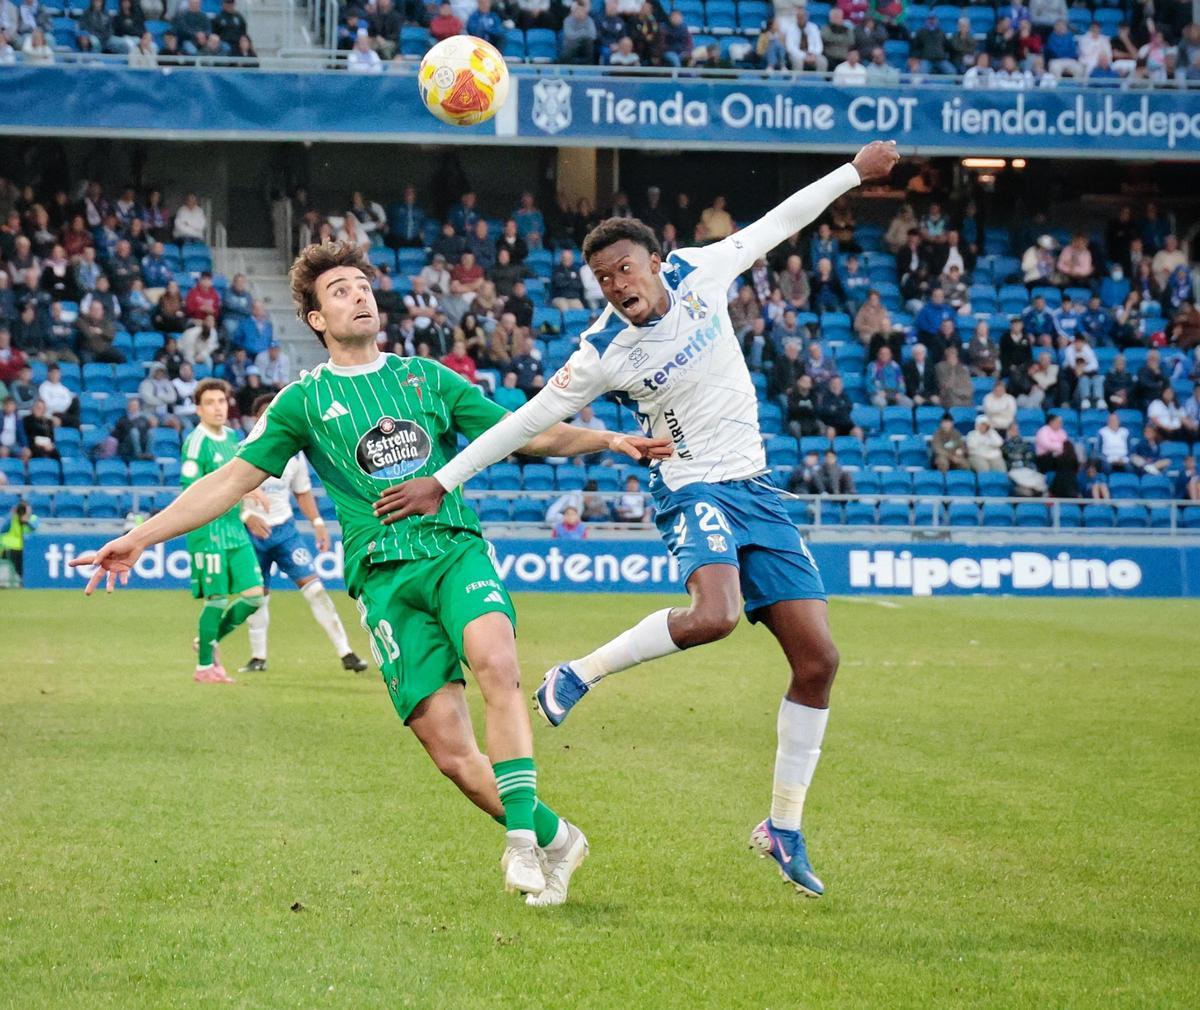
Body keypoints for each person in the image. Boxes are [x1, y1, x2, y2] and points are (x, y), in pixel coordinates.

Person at [373, 142, 902, 899]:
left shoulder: (703, 271)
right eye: (603, 278)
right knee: (715, 615)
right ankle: (579, 673)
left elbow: (781, 221)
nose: (617, 285)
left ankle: (782, 826)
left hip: (754, 485)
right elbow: (522, 424)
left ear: (657, 262)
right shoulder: (600, 353)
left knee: (819, 662)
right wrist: (442, 479)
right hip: (689, 485)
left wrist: (854, 173)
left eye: (626, 269)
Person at [75, 241, 667, 905]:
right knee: (451, 754)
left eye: (362, 285)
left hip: (452, 550)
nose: (359, 295)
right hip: (384, 581)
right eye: (340, 291)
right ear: (317, 320)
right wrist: (137, 537)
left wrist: (608, 440)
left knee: (497, 664)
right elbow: (231, 480)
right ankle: (556, 837)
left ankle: (522, 844)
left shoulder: (427, 379)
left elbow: (522, 433)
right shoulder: (303, 402)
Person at [236, 393, 369, 674]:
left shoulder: (293, 455)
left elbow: (302, 493)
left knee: (316, 590)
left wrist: (318, 523)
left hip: (285, 531)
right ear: (255, 419)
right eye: (263, 415)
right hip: (252, 533)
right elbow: (226, 493)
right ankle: (258, 657)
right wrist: (246, 515)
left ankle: (346, 652)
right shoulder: (241, 451)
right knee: (257, 597)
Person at [0, 500, 37, 582]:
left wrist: (26, 521)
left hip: (26, 548)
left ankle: (22, 579)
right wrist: (12, 515)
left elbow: (34, 529)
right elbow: (3, 530)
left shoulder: (33, 519)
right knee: (16, 560)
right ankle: (18, 579)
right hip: (11, 548)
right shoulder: (12, 518)